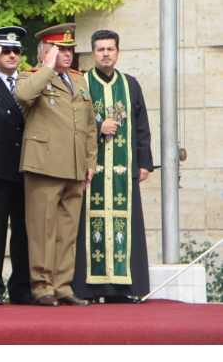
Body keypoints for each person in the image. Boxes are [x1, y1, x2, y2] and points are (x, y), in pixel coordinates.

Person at [14, 23, 97, 307]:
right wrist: (47, 67)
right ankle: (42, 286)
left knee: (67, 231)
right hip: (45, 165)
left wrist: (89, 161)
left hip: (74, 165)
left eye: (69, 49)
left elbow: (89, 125)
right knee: (42, 229)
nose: (67, 54)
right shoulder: (32, 76)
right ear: (44, 53)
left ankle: (62, 285)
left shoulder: (79, 80)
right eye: (60, 49)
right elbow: (23, 96)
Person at [71, 29, 153, 302]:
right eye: (100, 50)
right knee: (87, 226)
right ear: (92, 53)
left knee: (125, 224)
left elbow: (141, 126)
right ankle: (90, 289)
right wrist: (98, 127)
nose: (106, 54)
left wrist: (144, 162)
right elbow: (71, 124)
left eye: (110, 49)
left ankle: (122, 288)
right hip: (90, 171)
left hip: (122, 170)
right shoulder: (81, 83)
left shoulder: (130, 84)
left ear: (117, 52)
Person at [0, 26, 33, 305]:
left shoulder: (27, 81)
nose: (12, 56)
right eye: (5, 51)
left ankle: (21, 287)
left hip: (25, 167)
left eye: (16, 51)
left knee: (23, 232)